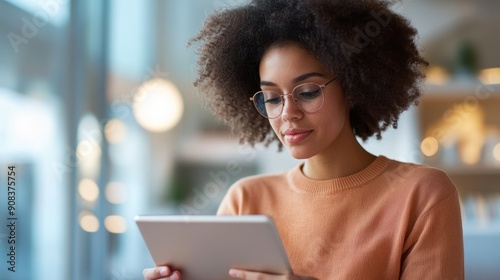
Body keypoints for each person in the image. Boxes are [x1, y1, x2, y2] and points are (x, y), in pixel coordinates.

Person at [143, 0, 464, 279]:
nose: (288, 113)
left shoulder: (422, 196)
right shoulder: (246, 201)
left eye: (308, 92)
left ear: (352, 87)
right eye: (271, 98)